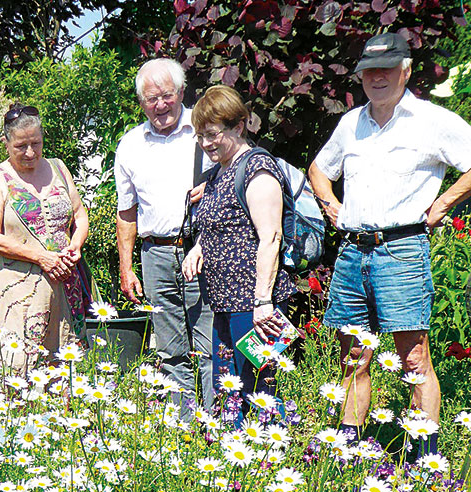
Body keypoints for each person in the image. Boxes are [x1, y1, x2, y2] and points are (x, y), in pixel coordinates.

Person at [308, 32, 471, 455]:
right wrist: (331, 207)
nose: (376, 77)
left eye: (386, 68)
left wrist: (444, 204)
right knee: (354, 359)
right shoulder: (351, 123)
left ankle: (424, 458)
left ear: (406, 70)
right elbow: (319, 169)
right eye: (368, 71)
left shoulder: (433, 121)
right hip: (351, 252)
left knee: (413, 361)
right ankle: (346, 454)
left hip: (401, 251)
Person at [182, 85, 297, 419]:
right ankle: (234, 461)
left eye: (213, 134)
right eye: (200, 136)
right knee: (228, 389)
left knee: (259, 390)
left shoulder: (257, 168)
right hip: (224, 302)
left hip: (255, 304)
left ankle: (268, 460)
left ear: (239, 126)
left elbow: (271, 237)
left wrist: (263, 302)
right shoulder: (219, 172)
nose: (206, 143)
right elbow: (223, 222)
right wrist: (199, 248)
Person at [115, 58, 214, 412]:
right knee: (170, 349)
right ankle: (184, 426)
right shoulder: (130, 145)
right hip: (155, 254)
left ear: (182, 93)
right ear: (141, 103)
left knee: (208, 345)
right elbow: (126, 212)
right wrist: (127, 268)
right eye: (151, 99)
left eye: (166, 96)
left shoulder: (206, 133)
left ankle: (216, 422)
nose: (160, 105)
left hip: (203, 250)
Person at [0, 104, 89, 374]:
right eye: (21, 146)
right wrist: (41, 257)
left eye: (36, 144)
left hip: (64, 284)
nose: (30, 153)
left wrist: (76, 244)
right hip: (19, 287)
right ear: (6, 143)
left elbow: (79, 214)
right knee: (18, 365)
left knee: (65, 364)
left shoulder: (58, 168)